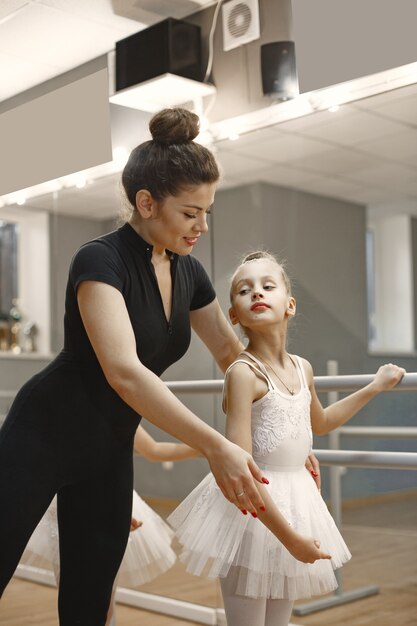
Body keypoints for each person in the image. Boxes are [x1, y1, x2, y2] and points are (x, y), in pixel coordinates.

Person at [168, 251, 406, 626]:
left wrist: (374, 386)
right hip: (253, 512)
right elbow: (241, 470)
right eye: (244, 290)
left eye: (267, 285)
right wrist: (291, 538)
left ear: (289, 304)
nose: (256, 294)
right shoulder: (243, 373)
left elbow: (322, 422)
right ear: (233, 315)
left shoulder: (303, 367)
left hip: (297, 501)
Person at [20, 424, 201, 626]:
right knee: (74, 597)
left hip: (109, 502)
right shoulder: (71, 406)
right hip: (72, 506)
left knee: (103, 599)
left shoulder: (121, 406)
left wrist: (205, 447)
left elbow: (153, 449)